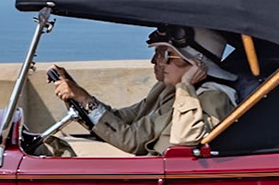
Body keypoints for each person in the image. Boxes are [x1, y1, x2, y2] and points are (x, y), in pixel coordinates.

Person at [48, 26, 238, 154]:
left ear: (196, 64)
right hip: (143, 164)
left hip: (154, 171)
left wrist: (186, 86)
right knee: (54, 144)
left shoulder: (214, 97)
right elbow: (121, 119)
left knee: (60, 153)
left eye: (165, 54)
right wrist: (79, 95)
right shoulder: (168, 90)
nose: (156, 62)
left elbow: (183, 139)